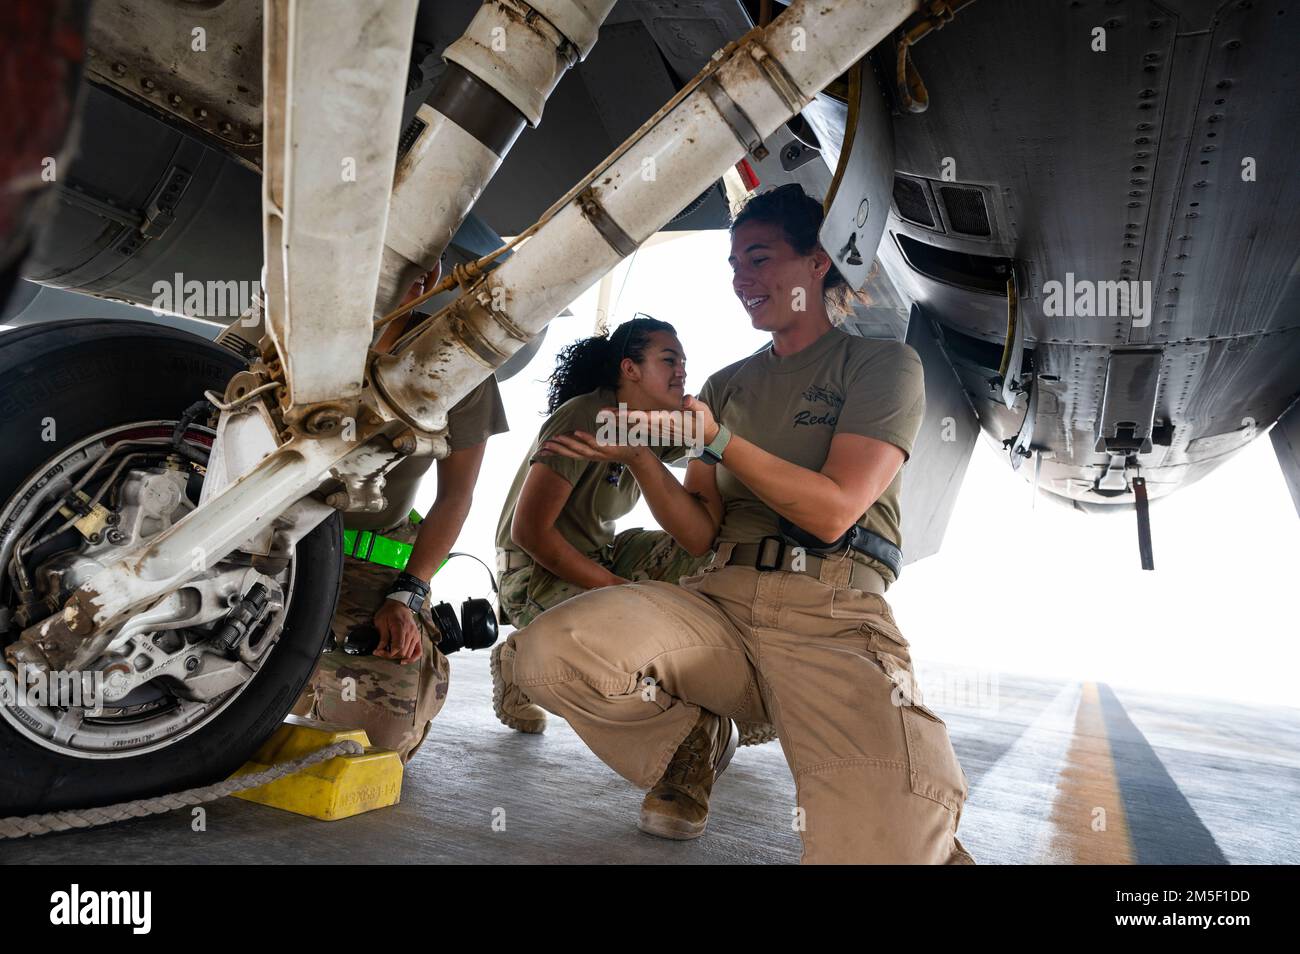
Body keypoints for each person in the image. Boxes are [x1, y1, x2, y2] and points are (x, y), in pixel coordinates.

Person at [505, 184, 974, 863]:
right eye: (732, 266)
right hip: (720, 606)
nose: (740, 281)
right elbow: (698, 534)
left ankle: (912, 824)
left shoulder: (880, 366)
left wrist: (721, 441)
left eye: (758, 260)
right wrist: (641, 457)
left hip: (830, 615)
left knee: (884, 848)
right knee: (549, 654)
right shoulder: (726, 386)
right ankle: (693, 735)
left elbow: (835, 508)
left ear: (817, 262)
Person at [293, 267, 508, 762]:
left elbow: (455, 497)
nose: (414, 273)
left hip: (366, 560)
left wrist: (407, 594)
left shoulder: (456, 360)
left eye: (424, 263)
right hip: (260, 548)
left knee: (371, 742)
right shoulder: (288, 335)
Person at [491, 316, 719, 734]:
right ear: (630, 370)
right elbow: (530, 533)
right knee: (619, 638)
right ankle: (518, 660)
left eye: (684, 361)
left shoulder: (648, 423)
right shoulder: (587, 415)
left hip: (600, 554)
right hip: (533, 574)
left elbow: (713, 439)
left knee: (710, 553)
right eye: (669, 360)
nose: (682, 371)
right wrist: (615, 589)